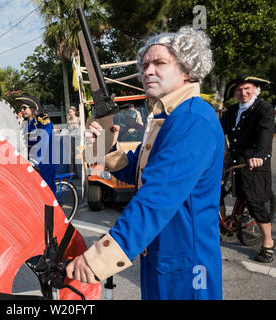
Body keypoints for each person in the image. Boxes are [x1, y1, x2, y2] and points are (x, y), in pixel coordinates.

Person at [67, 26, 224, 300]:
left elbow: (156, 198)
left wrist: (97, 259)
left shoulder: (192, 119)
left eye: (159, 63)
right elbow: (137, 169)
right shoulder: (169, 117)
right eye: (145, 65)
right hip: (162, 258)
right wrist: (105, 147)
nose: (147, 71)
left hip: (187, 267)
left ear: (186, 69)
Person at [220, 75, 274, 263]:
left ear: (254, 89)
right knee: (213, 191)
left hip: (253, 162)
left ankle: (268, 242)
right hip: (232, 161)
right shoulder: (231, 111)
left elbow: (265, 135)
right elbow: (218, 133)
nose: (243, 93)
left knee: (255, 203)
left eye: (247, 88)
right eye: (239, 90)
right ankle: (221, 229)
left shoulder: (264, 110)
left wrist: (260, 156)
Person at [15, 95, 56, 195]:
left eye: (24, 108)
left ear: (32, 108)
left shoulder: (43, 119)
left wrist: (34, 161)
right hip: (31, 162)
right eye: (22, 108)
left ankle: (55, 209)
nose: (22, 110)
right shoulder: (26, 123)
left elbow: (44, 140)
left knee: (47, 193)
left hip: (44, 161)